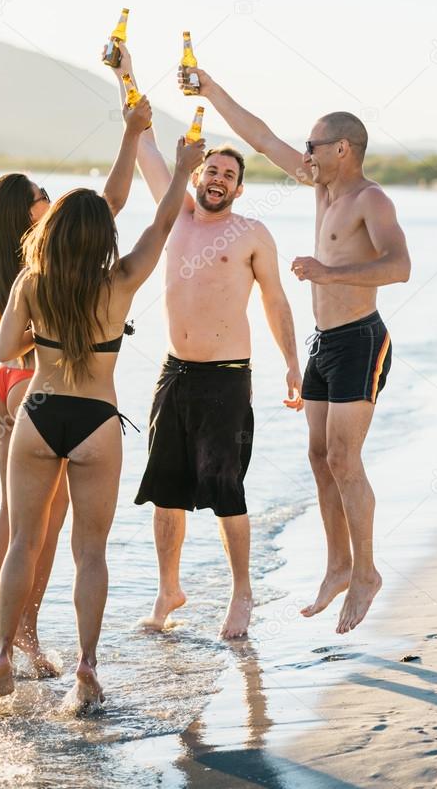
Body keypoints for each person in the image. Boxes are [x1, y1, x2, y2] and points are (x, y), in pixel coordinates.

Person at [184, 65, 411, 635]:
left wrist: (327, 272)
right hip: (325, 343)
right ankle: (337, 563)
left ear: (342, 148)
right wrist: (211, 89)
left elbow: (400, 266)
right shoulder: (321, 185)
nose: (304, 153)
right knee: (317, 454)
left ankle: (366, 571)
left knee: (342, 458)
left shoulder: (369, 198)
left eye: (313, 145)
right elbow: (260, 138)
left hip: (361, 338)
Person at [0, 128, 205, 707]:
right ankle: (85, 666)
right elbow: (162, 226)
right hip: (95, 420)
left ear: (51, 232)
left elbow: (7, 352)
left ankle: (3, 656)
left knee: (23, 544)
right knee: (90, 553)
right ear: (103, 236)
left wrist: (43, 331)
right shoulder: (121, 281)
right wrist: (183, 169)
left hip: (37, 412)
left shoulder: (31, 281)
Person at [105, 43, 303, 641]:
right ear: (198, 176)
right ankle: (170, 589)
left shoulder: (251, 233)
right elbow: (140, 139)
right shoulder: (178, 215)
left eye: (228, 174)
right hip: (175, 374)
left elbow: (275, 301)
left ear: (240, 188)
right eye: (210, 171)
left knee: (225, 491)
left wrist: (293, 366)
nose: (217, 179)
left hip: (226, 377)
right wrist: (126, 74)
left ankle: (242, 594)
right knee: (165, 490)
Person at [0, 105, 148, 671]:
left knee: (15, 514)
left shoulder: (9, 251)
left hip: (6, 380)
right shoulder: (52, 244)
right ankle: (25, 630)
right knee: (48, 526)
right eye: (41, 191)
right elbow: (111, 204)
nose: (49, 196)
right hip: (43, 381)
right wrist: (131, 134)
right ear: (29, 210)